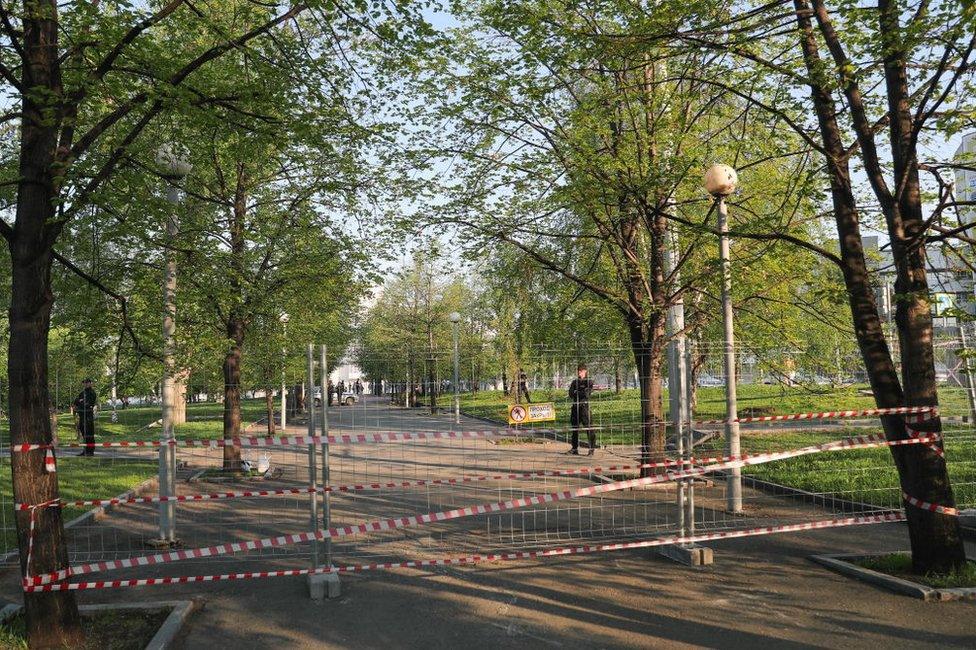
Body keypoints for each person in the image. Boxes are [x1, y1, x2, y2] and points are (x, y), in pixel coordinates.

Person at [568, 364, 594, 455]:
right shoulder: (574, 382)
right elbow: (570, 394)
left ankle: (591, 449)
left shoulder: (589, 382)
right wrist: (579, 392)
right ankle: (574, 449)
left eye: (581, 370)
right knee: (575, 429)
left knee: (589, 428)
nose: (579, 372)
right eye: (578, 370)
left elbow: (587, 394)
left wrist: (576, 392)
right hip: (575, 407)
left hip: (584, 408)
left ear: (585, 371)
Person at [72, 378, 97, 456]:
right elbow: (76, 401)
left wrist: (81, 402)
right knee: (84, 434)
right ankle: (85, 450)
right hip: (82, 415)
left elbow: (88, 404)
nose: (85, 384)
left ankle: (90, 451)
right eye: (84, 383)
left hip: (88, 416)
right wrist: (80, 401)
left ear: (90, 383)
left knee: (89, 434)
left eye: (87, 383)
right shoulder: (82, 393)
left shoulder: (92, 393)